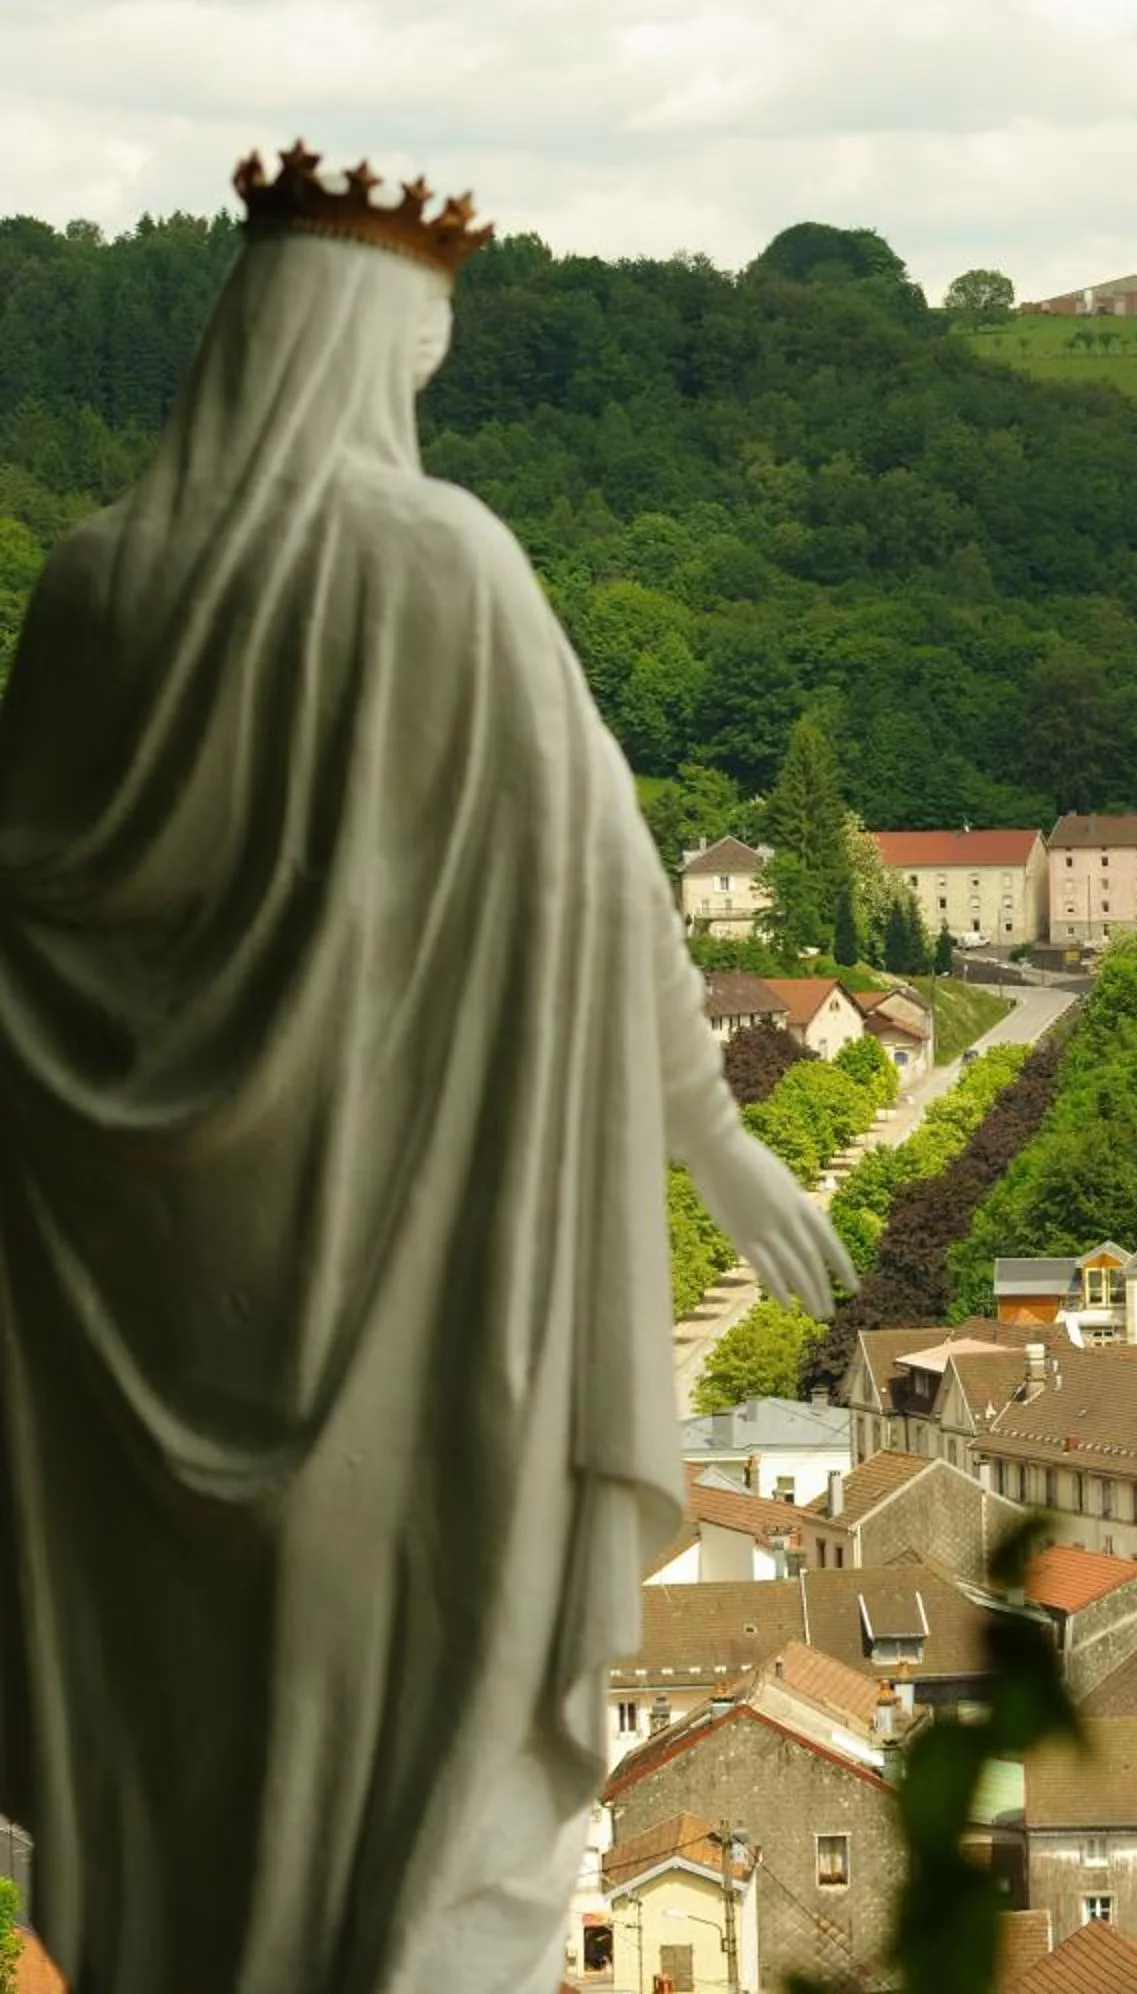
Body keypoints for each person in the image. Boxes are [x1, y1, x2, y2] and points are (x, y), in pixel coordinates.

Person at [0, 146, 853, 1994]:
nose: (408, 395)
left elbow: (31, 945)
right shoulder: (442, 566)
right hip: (398, 1308)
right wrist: (715, 1150)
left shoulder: (87, 588)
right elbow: (610, 888)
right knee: (419, 1759)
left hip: (136, 1336)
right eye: (410, 355)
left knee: (181, 1778)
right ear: (353, 342)